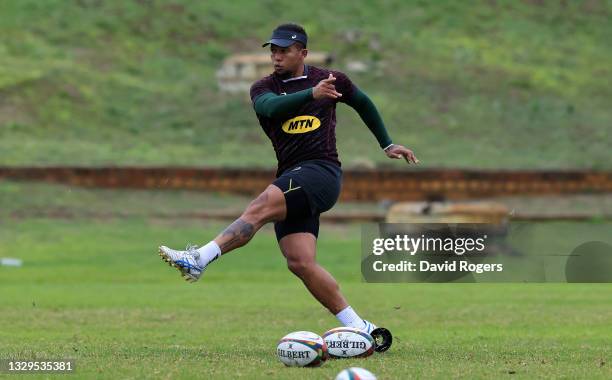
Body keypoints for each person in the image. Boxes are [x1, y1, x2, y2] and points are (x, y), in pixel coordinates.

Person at [158, 23, 418, 351]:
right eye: (273, 51)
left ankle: (200, 258)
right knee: (300, 261)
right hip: (292, 175)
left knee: (261, 205)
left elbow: (363, 102)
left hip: (321, 173)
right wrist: (312, 94)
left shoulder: (331, 79)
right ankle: (362, 329)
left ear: (303, 53)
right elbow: (269, 108)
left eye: (284, 51)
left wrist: (387, 144)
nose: (276, 56)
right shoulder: (263, 87)